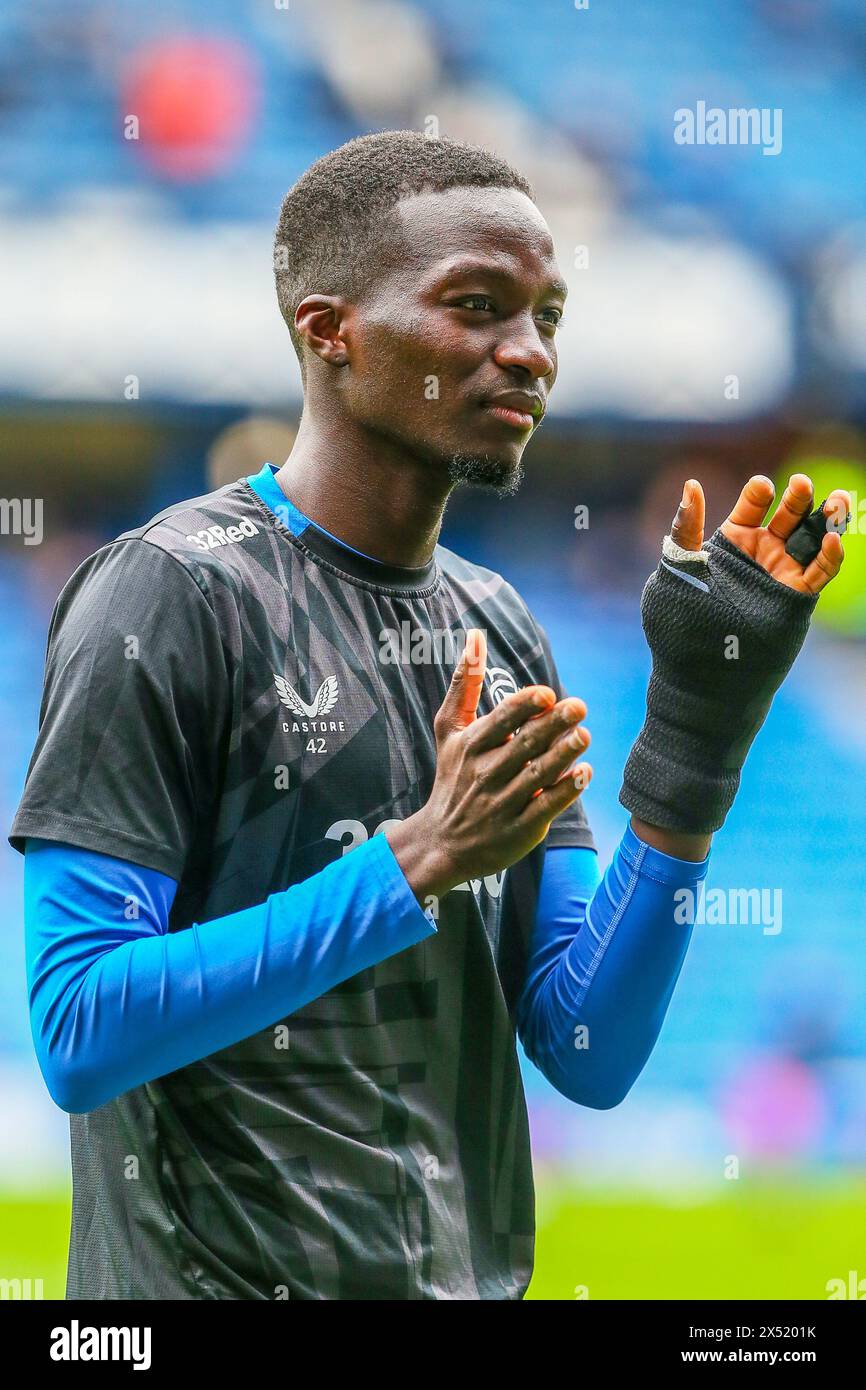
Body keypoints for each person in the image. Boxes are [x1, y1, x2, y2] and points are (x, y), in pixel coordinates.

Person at [9, 131, 848, 1300]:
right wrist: (421, 857)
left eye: (546, 316)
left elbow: (586, 1048)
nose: (528, 353)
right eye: (476, 306)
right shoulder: (174, 590)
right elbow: (80, 1028)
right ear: (329, 330)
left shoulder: (500, 627)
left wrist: (694, 738)